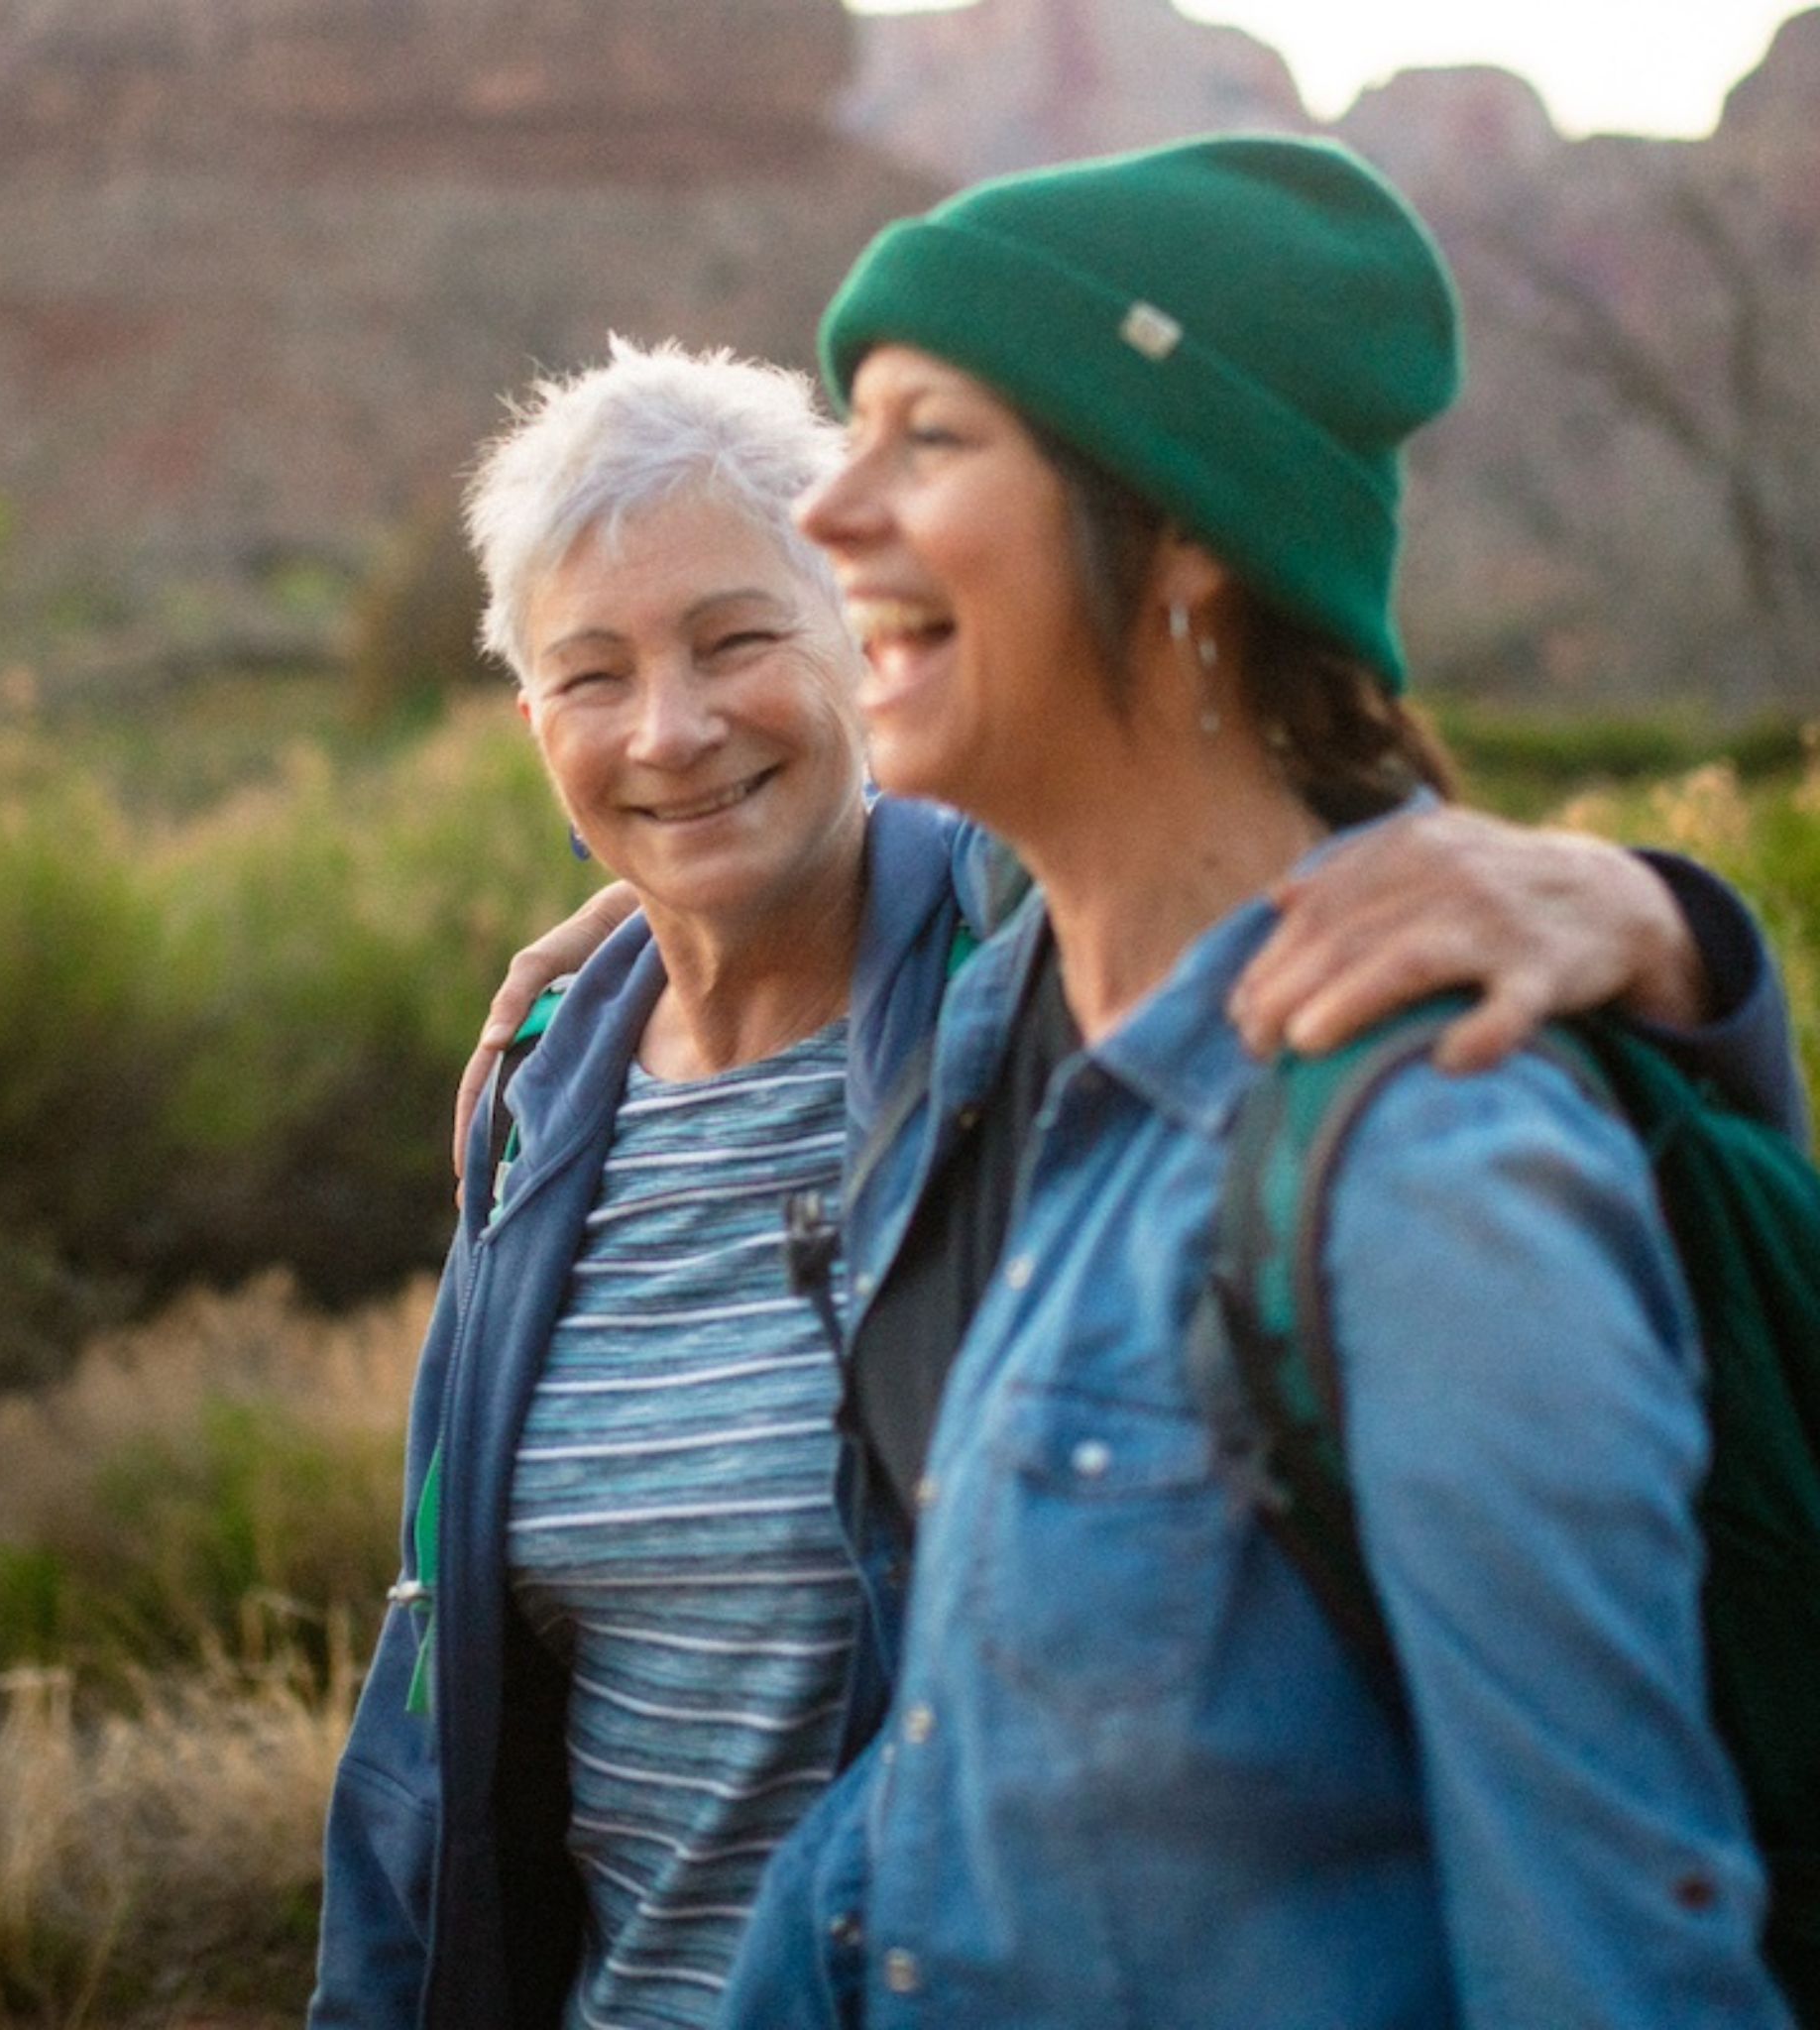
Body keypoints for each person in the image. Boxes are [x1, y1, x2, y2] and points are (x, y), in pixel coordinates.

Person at [310, 329, 1796, 2030]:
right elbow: (433, 1697)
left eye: (739, 643)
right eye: (593, 677)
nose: (671, 728)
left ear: (863, 647)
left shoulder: (1026, 989)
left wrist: (1659, 931)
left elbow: (1225, 820)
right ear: (531, 723)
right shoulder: (544, 1087)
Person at [701, 136, 1799, 2028]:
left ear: (1194, 530)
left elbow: (1613, 1954)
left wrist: (1658, 919)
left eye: (931, 438)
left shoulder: (1431, 1164)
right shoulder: (1002, 1043)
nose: (825, 514)